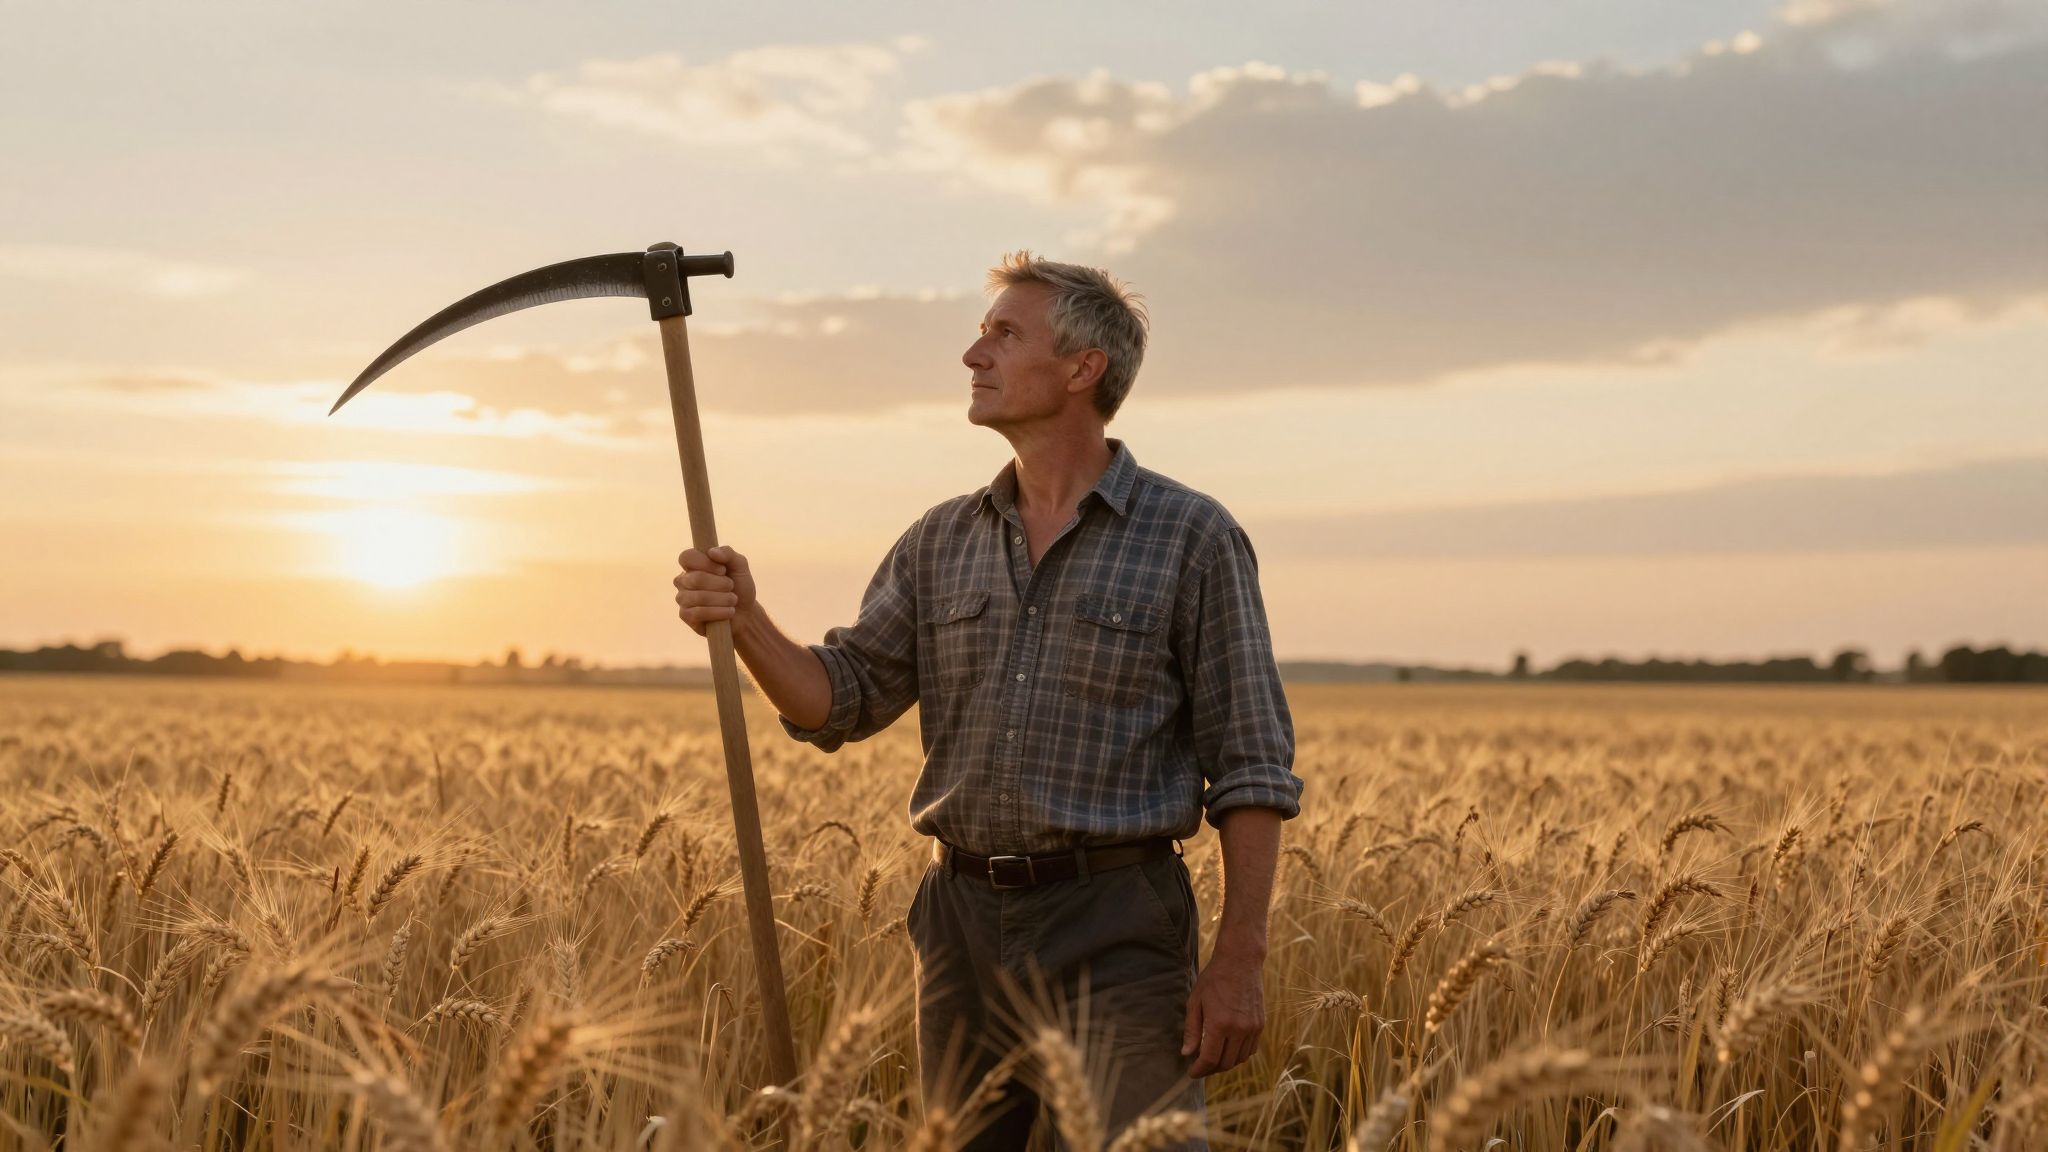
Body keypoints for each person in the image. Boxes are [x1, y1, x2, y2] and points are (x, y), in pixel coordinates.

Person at [673, 251, 1302, 1151]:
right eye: (981, 334)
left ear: (1084, 369)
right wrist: (746, 621)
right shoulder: (941, 539)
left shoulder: (1191, 536)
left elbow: (1251, 764)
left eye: (1005, 334)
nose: (974, 355)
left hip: (1116, 924)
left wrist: (1240, 957)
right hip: (960, 924)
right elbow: (837, 700)